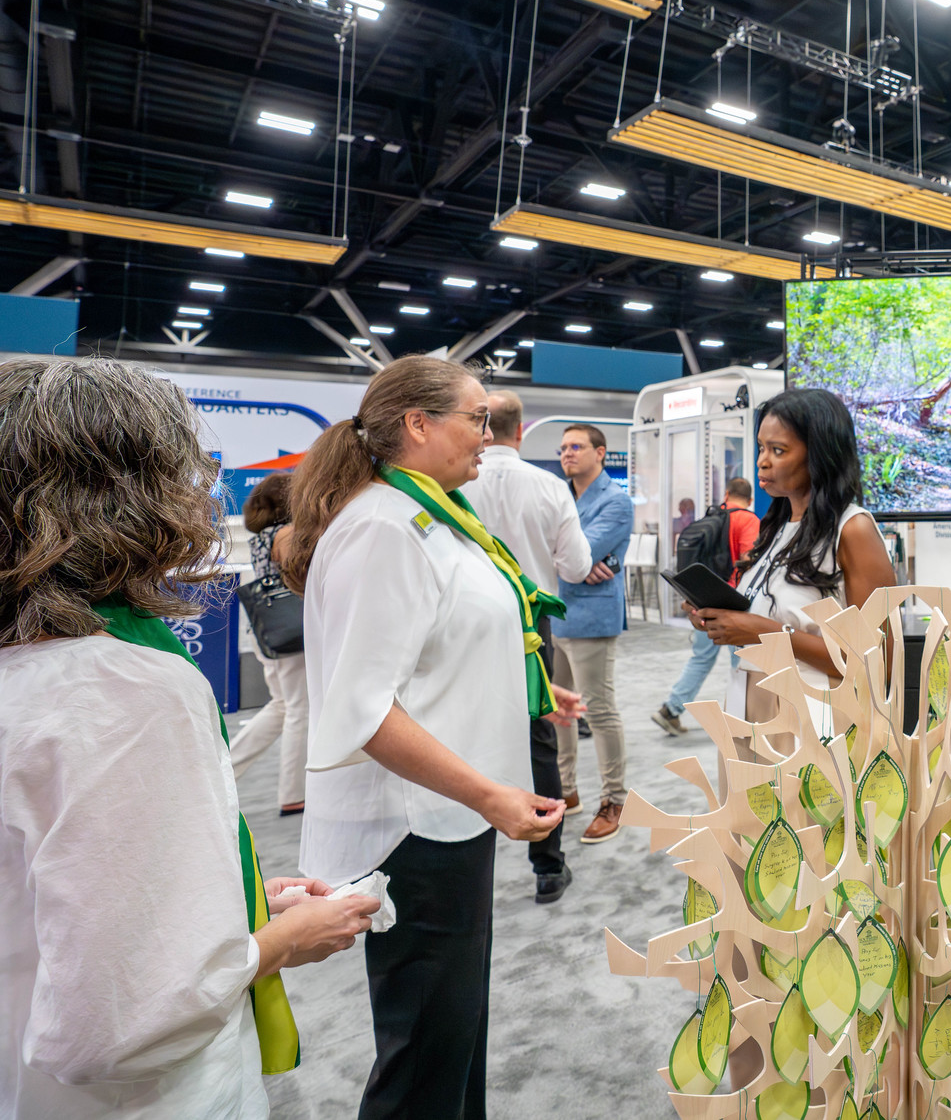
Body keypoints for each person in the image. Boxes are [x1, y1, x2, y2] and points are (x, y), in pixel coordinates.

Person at [0, 356, 376, 1117]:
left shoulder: (41, 670)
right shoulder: (122, 691)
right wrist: (281, 941)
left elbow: (58, 890)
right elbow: (124, 1020)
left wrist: (223, 898)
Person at [279, 355, 580, 1119]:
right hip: (416, 826)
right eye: (476, 419)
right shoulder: (385, 526)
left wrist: (533, 689)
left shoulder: (431, 514)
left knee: (453, 1036)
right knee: (423, 1058)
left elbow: (441, 640)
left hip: (449, 814)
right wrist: (488, 794)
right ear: (417, 423)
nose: (488, 435)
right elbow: (364, 708)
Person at [689, 389, 896, 722]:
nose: (762, 461)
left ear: (819, 454)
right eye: (761, 447)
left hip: (813, 715)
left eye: (778, 450)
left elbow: (875, 661)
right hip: (750, 702)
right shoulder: (776, 527)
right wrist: (718, 619)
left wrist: (764, 631)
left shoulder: (852, 530)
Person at [463, 391, 594, 904]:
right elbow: (577, 568)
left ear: (484, 427)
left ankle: (467, 862)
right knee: (541, 739)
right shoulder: (549, 487)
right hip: (529, 623)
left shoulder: (455, 483)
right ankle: (548, 866)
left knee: (460, 733)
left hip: (463, 621)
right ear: (521, 431)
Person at [553, 423, 634, 844]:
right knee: (558, 708)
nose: (567, 453)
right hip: (556, 613)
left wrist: (576, 561)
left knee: (598, 711)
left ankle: (614, 800)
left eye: (577, 446)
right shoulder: (560, 496)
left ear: (600, 452)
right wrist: (575, 563)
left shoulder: (616, 501)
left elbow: (574, 553)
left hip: (592, 618)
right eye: (563, 447)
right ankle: (566, 790)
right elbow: (561, 555)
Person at [229, 469, 310, 816]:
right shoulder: (289, 535)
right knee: (299, 710)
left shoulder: (262, 537)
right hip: (293, 635)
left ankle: (224, 770)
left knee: (282, 707)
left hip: (269, 631)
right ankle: (293, 793)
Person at [653, 476, 760, 737]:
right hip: (734, 603)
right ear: (750, 499)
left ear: (726, 495)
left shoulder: (713, 517)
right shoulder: (749, 520)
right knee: (742, 663)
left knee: (701, 658)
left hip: (704, 600)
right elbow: (748, 559)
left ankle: (670, 709)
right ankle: (742, 720)